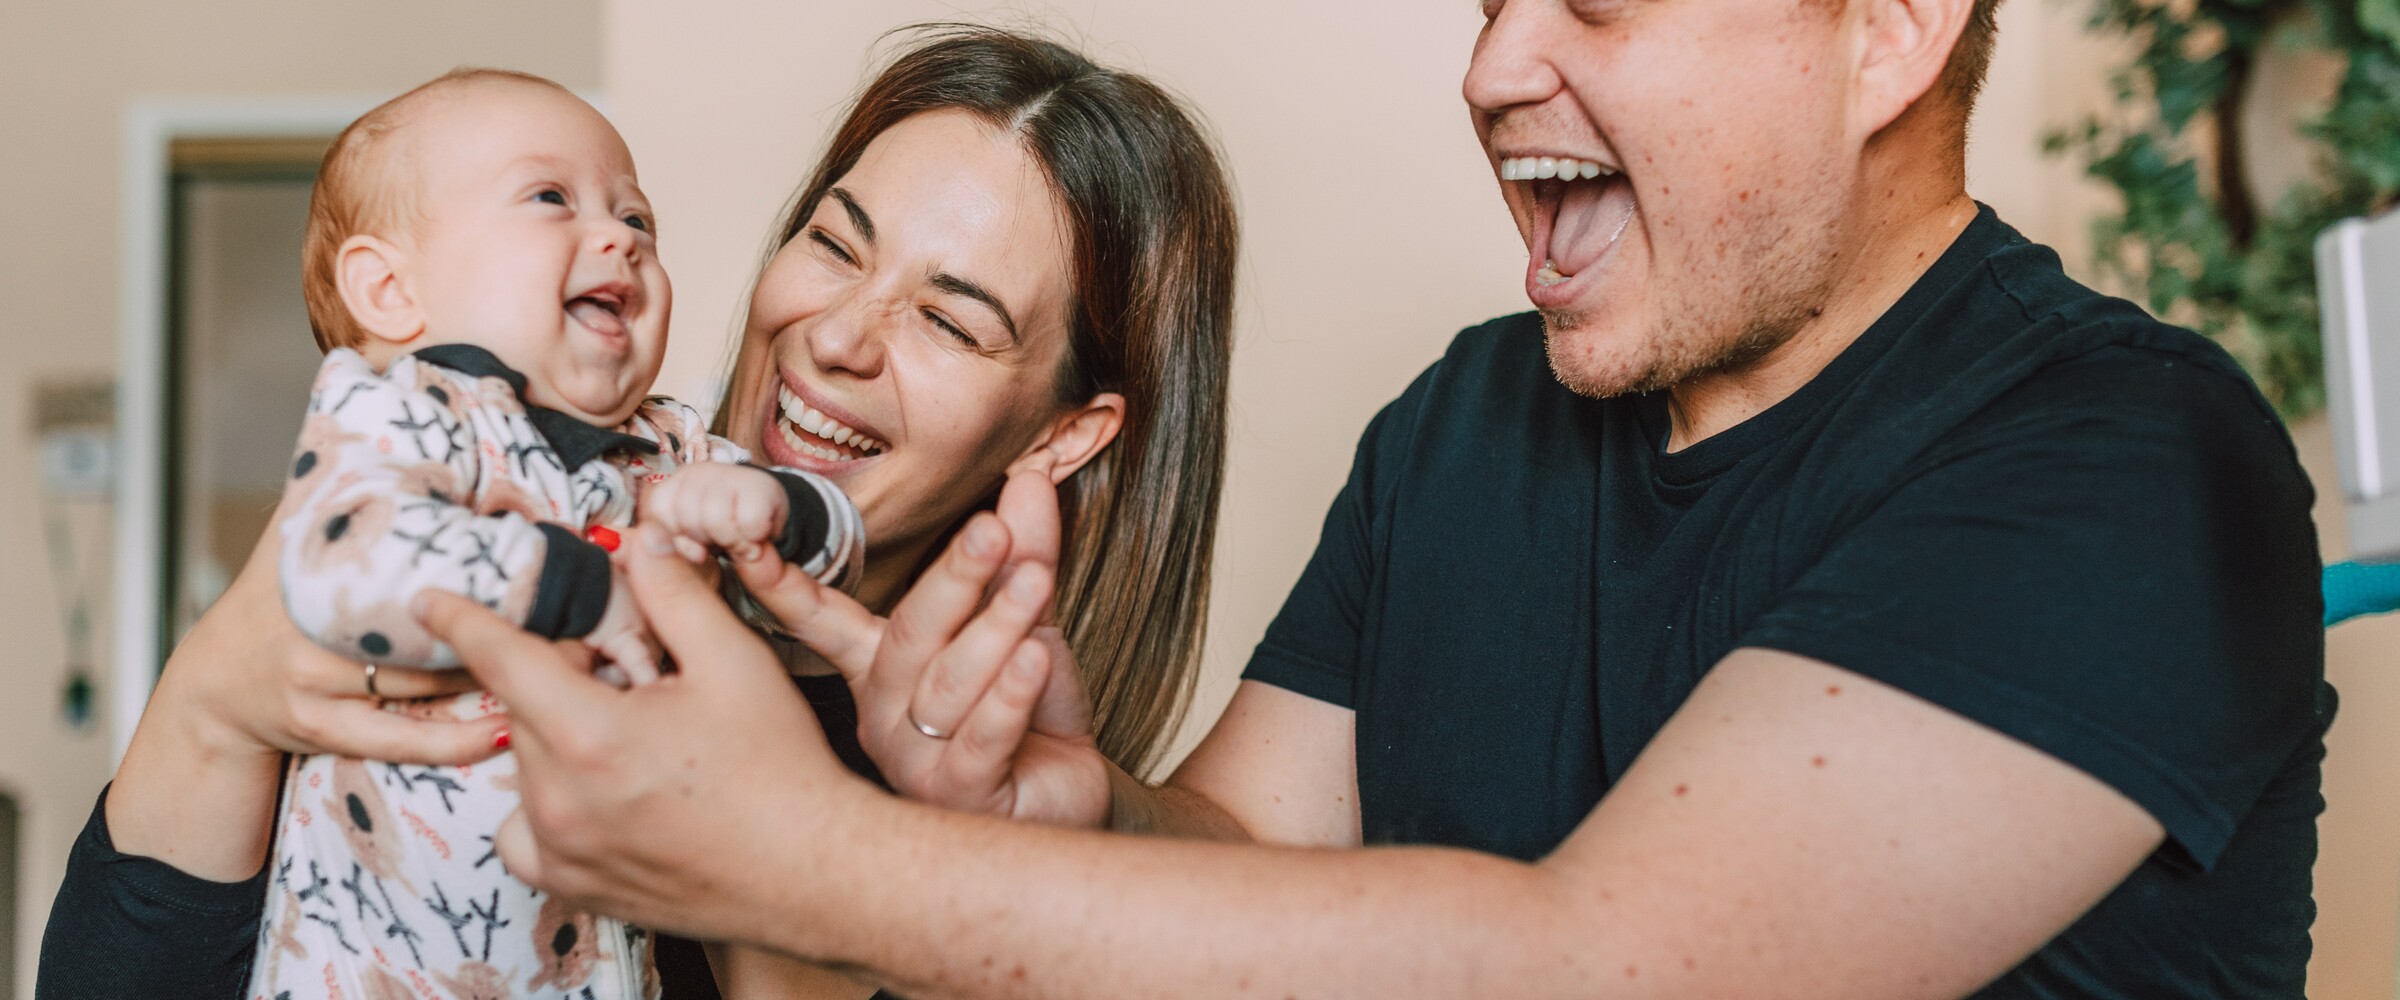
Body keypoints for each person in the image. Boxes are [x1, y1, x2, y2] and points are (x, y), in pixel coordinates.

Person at [423, 0, 2329, 996]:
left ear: (1889, 31)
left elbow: (1611, 974)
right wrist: (1068, 817)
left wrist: (799, 867)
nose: (1497, 64)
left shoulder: (2126, 460)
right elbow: (1252, 872)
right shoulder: (1472, 422)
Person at [37, 28, 1237, 999]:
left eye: (949, 319)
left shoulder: (987, 797)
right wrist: (208, 707)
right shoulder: (432, 459)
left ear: (1062, 434)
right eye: (834, 244)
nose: (835, 339)